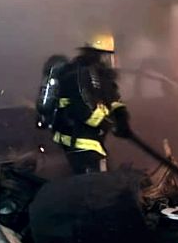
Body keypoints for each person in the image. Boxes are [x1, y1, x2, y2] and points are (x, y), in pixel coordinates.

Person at [46, 30, 132, 174]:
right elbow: (86, 111)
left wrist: (121, 117)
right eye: (107, 56)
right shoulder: (80, 75)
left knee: (106, 177)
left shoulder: (100, 77)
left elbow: (113, 98)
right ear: (98, 55)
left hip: (92, 141)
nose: (111, 61)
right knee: (97, 183)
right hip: (79, 142)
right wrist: (111, 124)